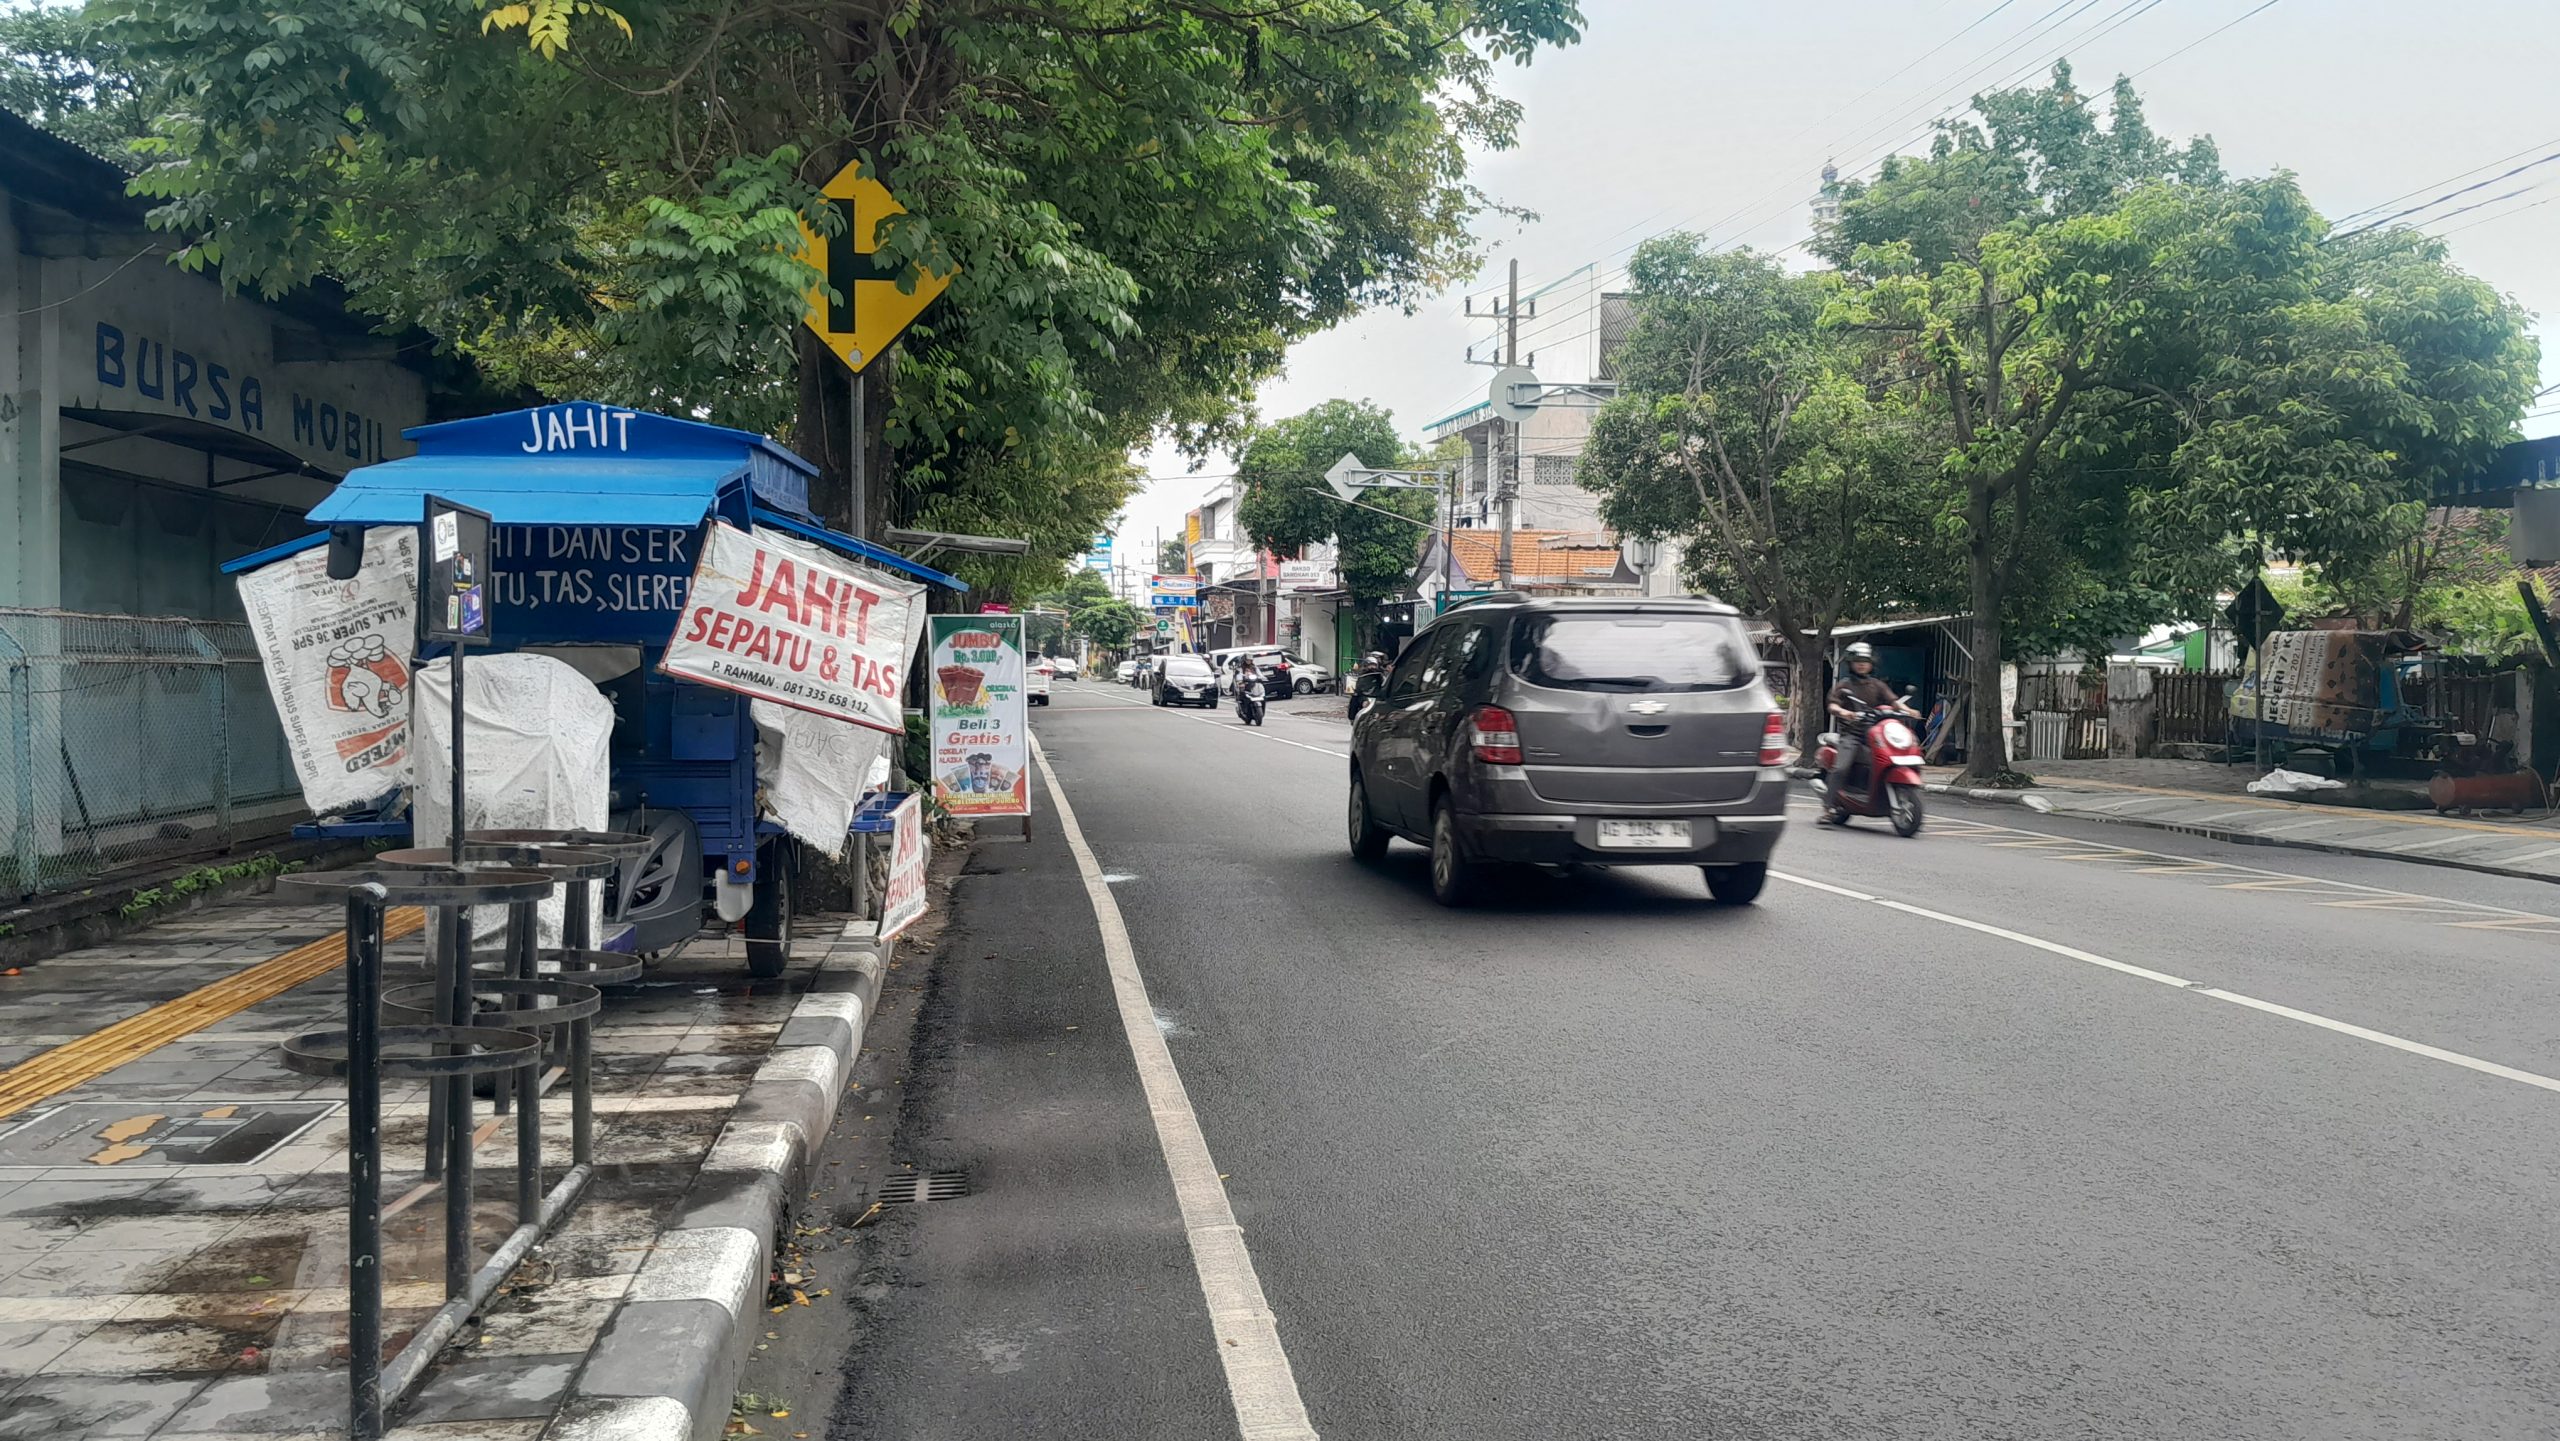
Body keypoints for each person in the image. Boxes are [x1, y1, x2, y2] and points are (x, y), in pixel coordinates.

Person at [1825, 642, 1913, 801]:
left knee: (1888, 759)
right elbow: (1833, 705)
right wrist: (1845, 712)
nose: (1861, 664)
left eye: (1865, 661)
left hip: (1875, 734)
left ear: (1871, 664)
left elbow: (1893, 701)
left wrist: (1907, 710)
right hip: (1851, 734)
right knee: (1840, 768)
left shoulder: (1877, 685)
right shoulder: (1844, 685)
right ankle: (1828, 807)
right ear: (1850, 663)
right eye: (1857, 661)